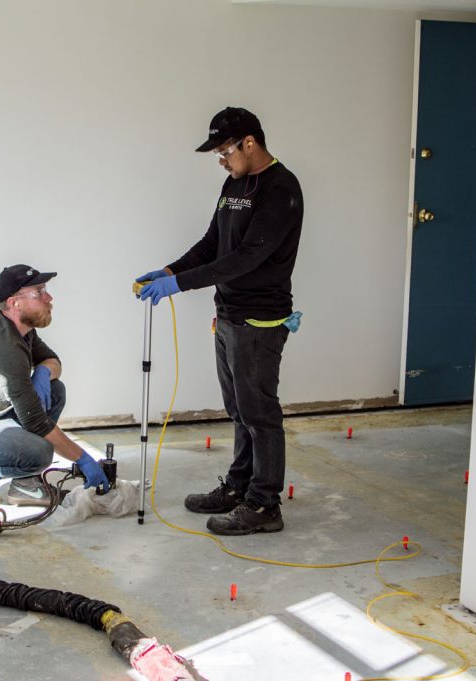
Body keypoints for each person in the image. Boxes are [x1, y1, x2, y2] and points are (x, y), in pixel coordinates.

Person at [136, 107, 303, 536]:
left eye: (225, 151)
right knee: (238, 409)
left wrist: (182, 285)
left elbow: (246, 257)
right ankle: (240, 485)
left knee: (260, 413)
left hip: (260, 320)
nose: (222, 161)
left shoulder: (282, 188)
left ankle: (265, 506)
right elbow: (213, 243)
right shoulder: (234, 185)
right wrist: (172, 272)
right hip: (228, 315)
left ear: (250, 143)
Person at [0, 264, 110, 512]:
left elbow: (53, 361)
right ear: (15, 303)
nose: (49, 298)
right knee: (38, 453)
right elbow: (35, 422)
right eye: (39, 293)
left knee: (55, 391)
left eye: (45, 290)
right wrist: (82, 458)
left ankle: (25, 484)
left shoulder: (20, 328)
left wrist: (44, 372)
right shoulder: (3, 346)